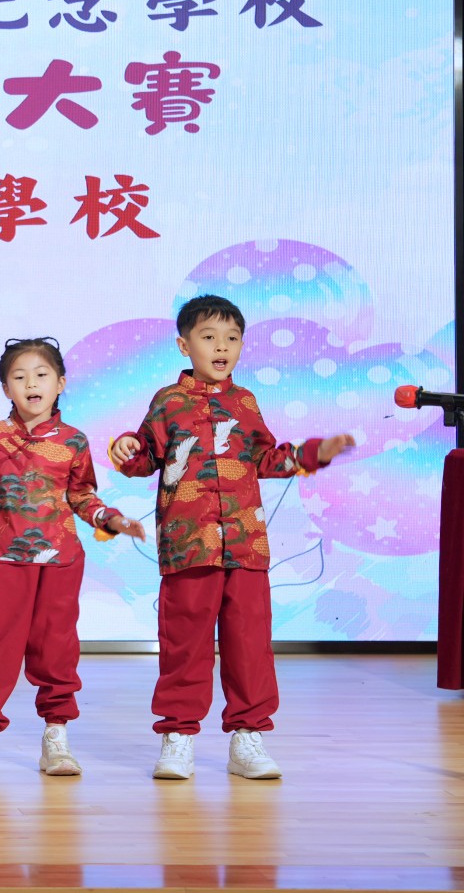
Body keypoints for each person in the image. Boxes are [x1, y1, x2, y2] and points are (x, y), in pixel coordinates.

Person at [109, 295, 354, 780]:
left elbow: (266, 459)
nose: (221, 347)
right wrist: (126, 446)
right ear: (184, 345)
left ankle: (248, 737)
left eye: (232, 338)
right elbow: (144, 460)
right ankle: (178, 736)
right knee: (185, 644)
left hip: (245, 545)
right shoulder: (168, 401)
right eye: (209, 337)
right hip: (188, 545)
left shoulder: (245, 403)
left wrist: (314, 453)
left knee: (249, 644)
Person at [0, 337, 144, 778]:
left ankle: (56, 735)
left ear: (60, 383)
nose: (31, 384)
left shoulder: (74, 440)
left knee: (57, 648)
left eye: (41, 375)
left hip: (60, 560)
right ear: (6, 388)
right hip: (5, 556)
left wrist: (112, 519)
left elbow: (82, 495)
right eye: (19, 377)